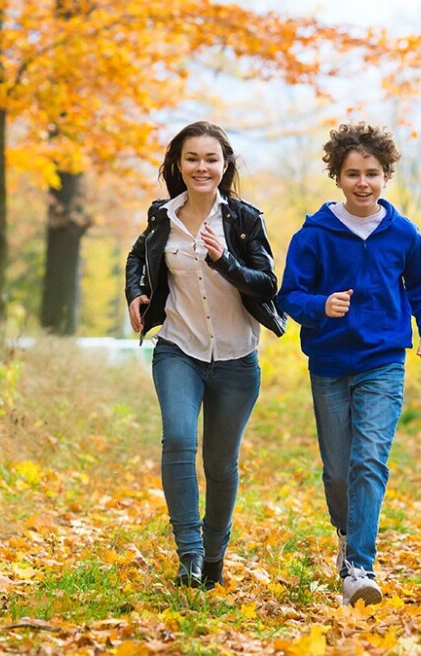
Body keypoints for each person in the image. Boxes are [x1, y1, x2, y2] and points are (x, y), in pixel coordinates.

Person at [276, 122, 421, 606]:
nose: (363, 182)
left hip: (383, 361)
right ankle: (348, 536)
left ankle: (359, 566)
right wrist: (320, 306)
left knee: (368, 460)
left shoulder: (403, 234)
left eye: (372, 173)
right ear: (337, 177)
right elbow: (291, 296)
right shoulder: (314, 235)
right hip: (328, 363)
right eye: (353, 174)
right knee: (337, 471)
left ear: (387, 176)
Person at [125, 121, 286, 589]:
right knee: (178, 439)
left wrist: (224, 262)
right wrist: (136, 292)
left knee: (220, 464)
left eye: (211, 159)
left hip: (237, 359)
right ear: (178, 164)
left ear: (225, 165)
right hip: (179, 348)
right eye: (192, 158)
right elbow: (138, 256)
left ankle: (214, 555)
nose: (202, 167)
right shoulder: (162, 217)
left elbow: (267, 283)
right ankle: (190, 554)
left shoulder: (242, 219)